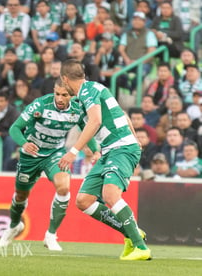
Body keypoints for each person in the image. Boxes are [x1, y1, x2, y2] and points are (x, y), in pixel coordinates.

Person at [58, 59, 151, 260]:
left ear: (65, 79)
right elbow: (122, 115)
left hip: (121, 148)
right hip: (111, 150)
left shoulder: (87, 90)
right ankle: (131, 232)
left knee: (110, 194)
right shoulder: (84, 97)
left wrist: (74, 151)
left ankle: (141, 247)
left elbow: (96, 121)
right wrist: (134, 138)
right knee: (83, 201)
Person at [0, 79, 99, 251]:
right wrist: (24, 143)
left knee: (63, 188)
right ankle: (14, 225)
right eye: (57, 94)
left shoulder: (77, 110)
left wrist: (96, 150)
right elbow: (14, 128)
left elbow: (87, 130)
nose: (60, 98)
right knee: (21, 195)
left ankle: (51, 235)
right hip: (30, 155)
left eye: (64, 95)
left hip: (55, 154)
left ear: (72, 95)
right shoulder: (40, 105)